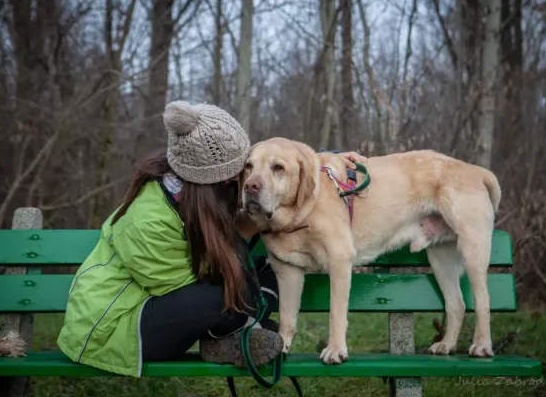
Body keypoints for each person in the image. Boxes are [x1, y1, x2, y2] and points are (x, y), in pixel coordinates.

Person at [57, 100, 367, 379]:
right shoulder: (146, 221)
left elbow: (257, 200)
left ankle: (231, 336)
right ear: (209, 178)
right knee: (227, 292)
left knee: (274, 263)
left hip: (166, 305)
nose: (243, 181)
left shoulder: (198, 193)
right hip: (113, 329)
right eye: (239, 172)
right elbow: (191, 286)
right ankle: (233, 336)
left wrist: (328, 162)